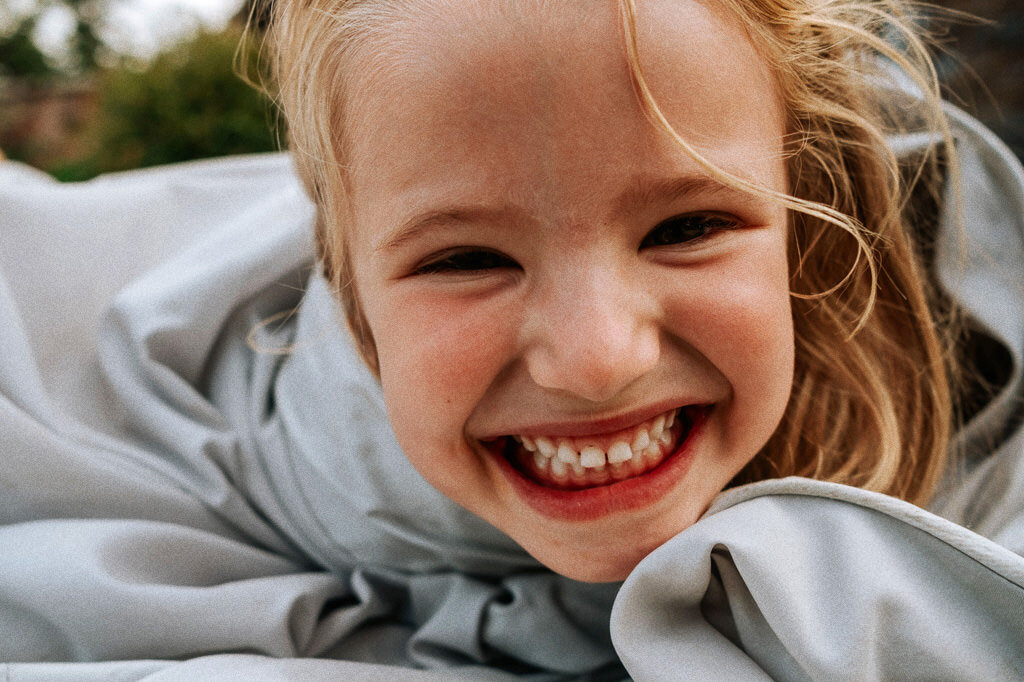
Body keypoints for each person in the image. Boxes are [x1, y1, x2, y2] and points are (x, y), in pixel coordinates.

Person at [1, 0, 1023, 680]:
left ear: (801, 211)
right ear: (349, 289)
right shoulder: (315, 454)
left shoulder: (962, 362)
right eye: (465, 260)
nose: (594, 359)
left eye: (686, 227)